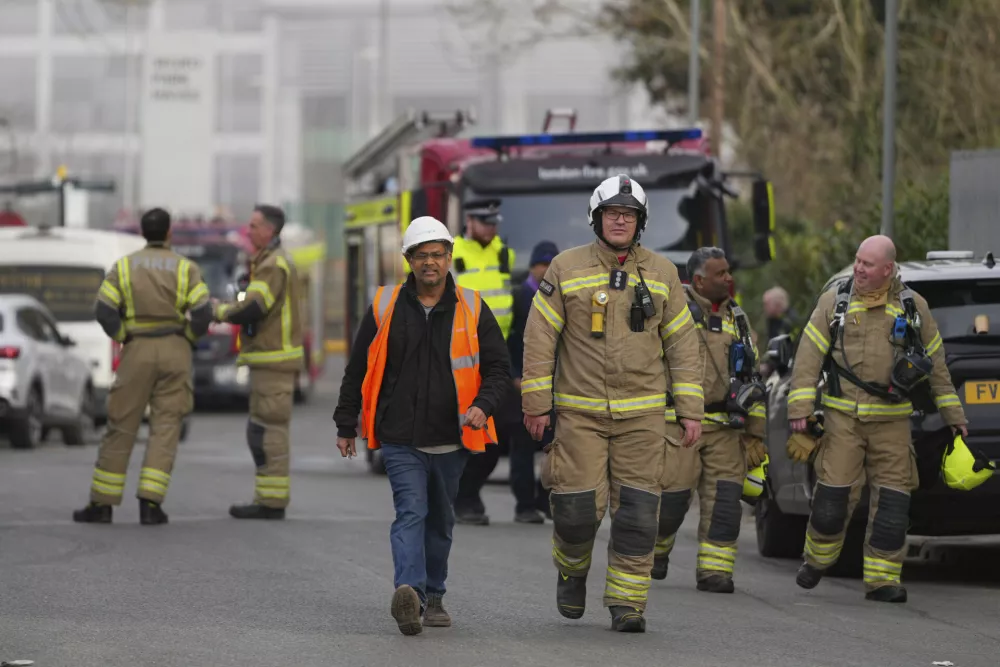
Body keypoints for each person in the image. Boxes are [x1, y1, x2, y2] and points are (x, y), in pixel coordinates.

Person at [521, 174, 704, 633]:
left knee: (640, 514)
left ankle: (627, 604)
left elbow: (683, 346)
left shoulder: (663, 274)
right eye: (611, 213)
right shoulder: (565, 268)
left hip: (643, 417)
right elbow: (540, 339)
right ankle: (572, 569)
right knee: (577, 511)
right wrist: (537, 404)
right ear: (595, 218)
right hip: (579, 413)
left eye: (628, 214)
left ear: (640, 222)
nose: (620, 220)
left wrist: (690, 411)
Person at [333, 216, 510, 636]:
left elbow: (500, 369)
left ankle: (435, 596)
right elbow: (356, 368)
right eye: (421, 256)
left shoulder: (472, 305)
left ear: (449, 258)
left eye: (437, 255)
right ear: (408, 261)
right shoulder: (384, 306)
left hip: (453, 436)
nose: (430, 263)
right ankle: (407, 592)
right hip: (399, 436)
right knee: (410, 511)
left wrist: (484, 407)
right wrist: (345, 423)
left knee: (441, 520)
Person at [787, 234, 968, 603]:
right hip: (842, 419)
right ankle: (816, 560)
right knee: (831, 502)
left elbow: (937, 370)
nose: (858, 269)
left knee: (892, 504)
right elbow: (807, 358)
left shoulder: (914, 308)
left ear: (888, 269)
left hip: (893, 423)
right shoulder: (834, 303)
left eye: (867, 264)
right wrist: (799, 410)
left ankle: (882, 580)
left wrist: (954, 416)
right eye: (857, 260)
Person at [73, 207, 211, 525]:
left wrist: (124, 336)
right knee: (165, 427)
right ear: (169, 233)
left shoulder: (124, 267)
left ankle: (102, 505)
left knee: (120, 425)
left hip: (137, 349)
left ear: (143, 233)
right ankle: (150, 504)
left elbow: (104, 310)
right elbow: (203, 313)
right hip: (175, 348)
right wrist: (187, 338)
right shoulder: (186, 269)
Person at [652, 247, 767, 593]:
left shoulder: (740, 321)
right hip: (676, 423)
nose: (729, 278)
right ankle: (655, 553)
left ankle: (714, 571)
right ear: (699, 280)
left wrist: (756, 435)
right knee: (671, 499)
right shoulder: (671, 312)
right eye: (721, 274)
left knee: (725, 504)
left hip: (725, 428)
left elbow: (753, 380)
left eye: (729, 272)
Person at [213, 204, 304, 520]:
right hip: (269, 360)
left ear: (270, 230)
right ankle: (268, 498)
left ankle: (272, 502)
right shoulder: (268, 261)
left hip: (273, 360)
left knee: (268, 431)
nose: (248, 231)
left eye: (253, 225)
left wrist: (219, 311)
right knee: (262, 429)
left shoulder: (272, 264)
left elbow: (255, 306)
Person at [451, 198, 516, 526]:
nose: (491, 228)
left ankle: (467, 494)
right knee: (457, 436)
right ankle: (462, 499)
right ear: (469, 221)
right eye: (485, 222)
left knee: (495, 436)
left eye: (494, 222)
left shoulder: (505, 253)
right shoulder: (450, 253)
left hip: (495, 360)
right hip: (457, 359)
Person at [506, 240, 560, 524]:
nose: (547, 270)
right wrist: (514, 376)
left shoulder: (561, 298)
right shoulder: (518, 297)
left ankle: (546, 501)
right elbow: (509, 341)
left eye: (553, 265)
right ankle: (524, 505)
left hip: (554, 388)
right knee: (523, 450)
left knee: (554, 448)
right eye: (543, 264)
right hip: (522, 386)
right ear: (533, 266)